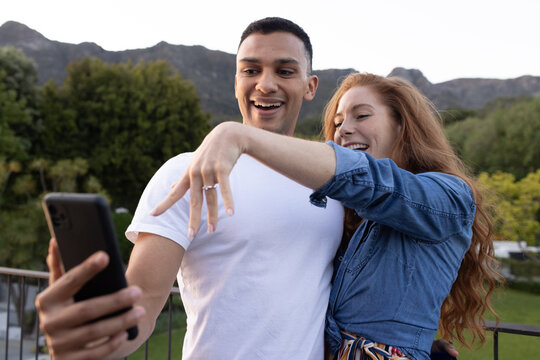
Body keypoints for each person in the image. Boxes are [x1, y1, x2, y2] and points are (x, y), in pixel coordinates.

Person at [35, 17, 457, 360]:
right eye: (251, 70)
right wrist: (94, 341)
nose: (266, 83)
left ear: (310, 87)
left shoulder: (336, 190)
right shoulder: (185, 173)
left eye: (285, 71)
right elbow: (143, 296)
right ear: (236, 82)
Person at [152, 73, 502, 360]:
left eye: (361, 116)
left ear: (402, 126)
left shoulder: (449, 195)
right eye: (337, 122)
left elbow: (371, 182)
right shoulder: (355, 218)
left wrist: (239, 135)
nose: (343, 129)